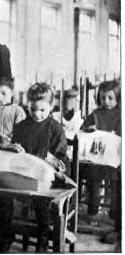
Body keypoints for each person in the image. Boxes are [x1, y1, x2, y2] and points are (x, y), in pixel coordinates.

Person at [0, 83, 68, 252]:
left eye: (42, 110)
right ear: (27, 106)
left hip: (45, 178)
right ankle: (3, 237)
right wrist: (13, 148)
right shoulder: (22, 126)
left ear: (51, 106)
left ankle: (42, 241)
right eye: (33, 109)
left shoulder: (56, 129)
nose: (37, 114)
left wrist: (50, 159)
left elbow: (61, 159)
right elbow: (14, 151)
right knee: (3, 195)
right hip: (23, 173)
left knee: (43, 204)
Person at [80, 80, 121, 237]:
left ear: (118, 98)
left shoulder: (120, 114)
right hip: (97, 159)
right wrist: (89, 130)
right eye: (103, 98)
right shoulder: (95, 114)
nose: (106, 102)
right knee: (93, 183)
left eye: (110, 98)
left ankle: (115, 214)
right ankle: (92, 211)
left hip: (114, 160)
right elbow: (83, 130)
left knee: (116, 186)